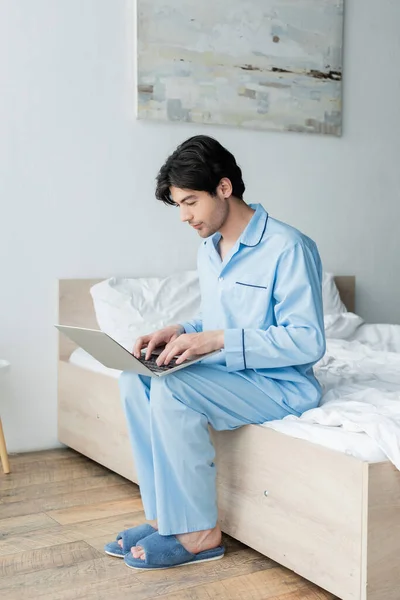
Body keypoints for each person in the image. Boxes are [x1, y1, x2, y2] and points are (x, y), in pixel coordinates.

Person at [104, 135, 326, 570]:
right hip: (233, 374)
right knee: (135, 378)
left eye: (190, 202)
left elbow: (307, 340)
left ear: (224, 188)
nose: (185, 216)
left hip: (281, 384)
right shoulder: (209, 249)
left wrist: (216, 340)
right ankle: (165, 518)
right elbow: (216, 320)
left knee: (175, 391)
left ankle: (201, 535)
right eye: (178, 205)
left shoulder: (288, 247)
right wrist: (182, 331)